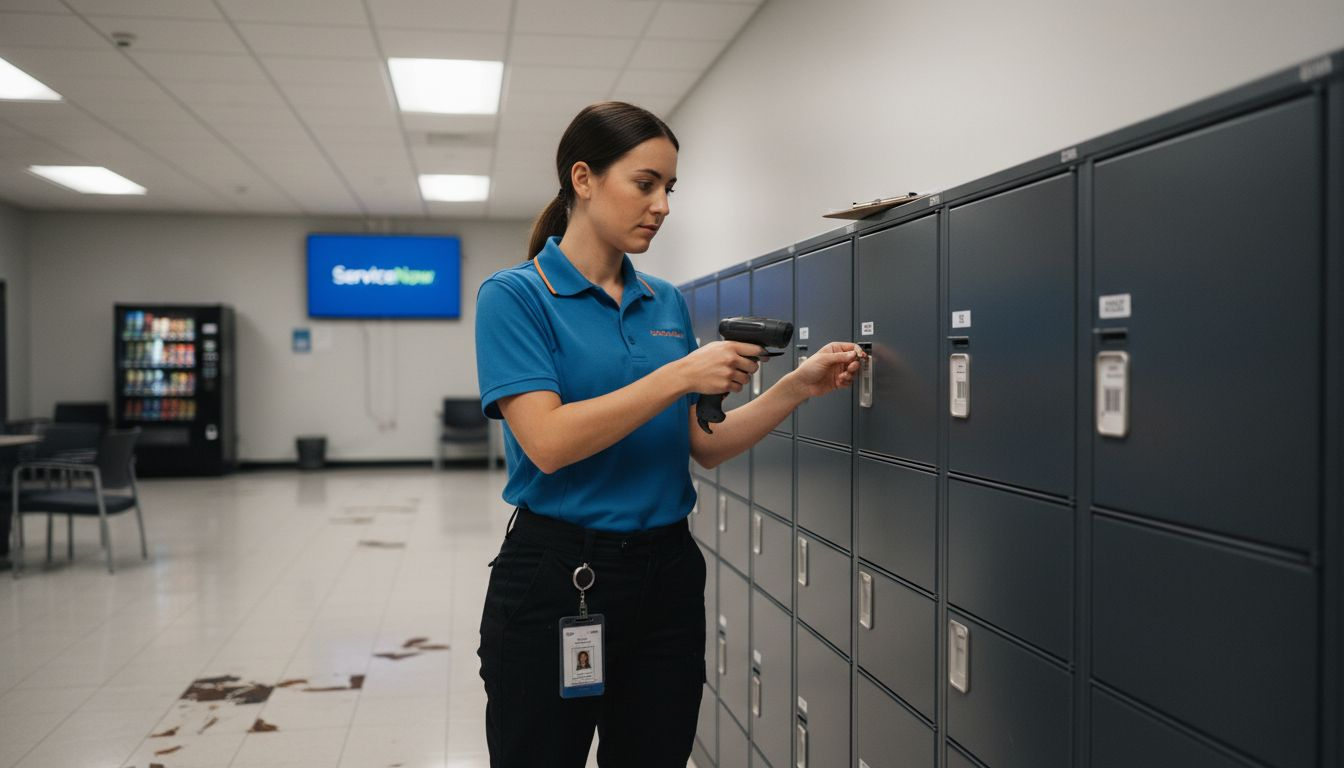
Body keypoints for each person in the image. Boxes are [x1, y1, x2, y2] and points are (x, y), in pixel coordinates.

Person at [474, 101, 865, 768]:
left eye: (669, 189)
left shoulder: (664, 302)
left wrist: (797, 386)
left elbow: (704, 445)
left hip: (666, 577)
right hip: (559, 575)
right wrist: (680, 373)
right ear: (583, 178)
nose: (661, 205)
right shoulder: (515, 297)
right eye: (645, 183)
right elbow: (547, 441)